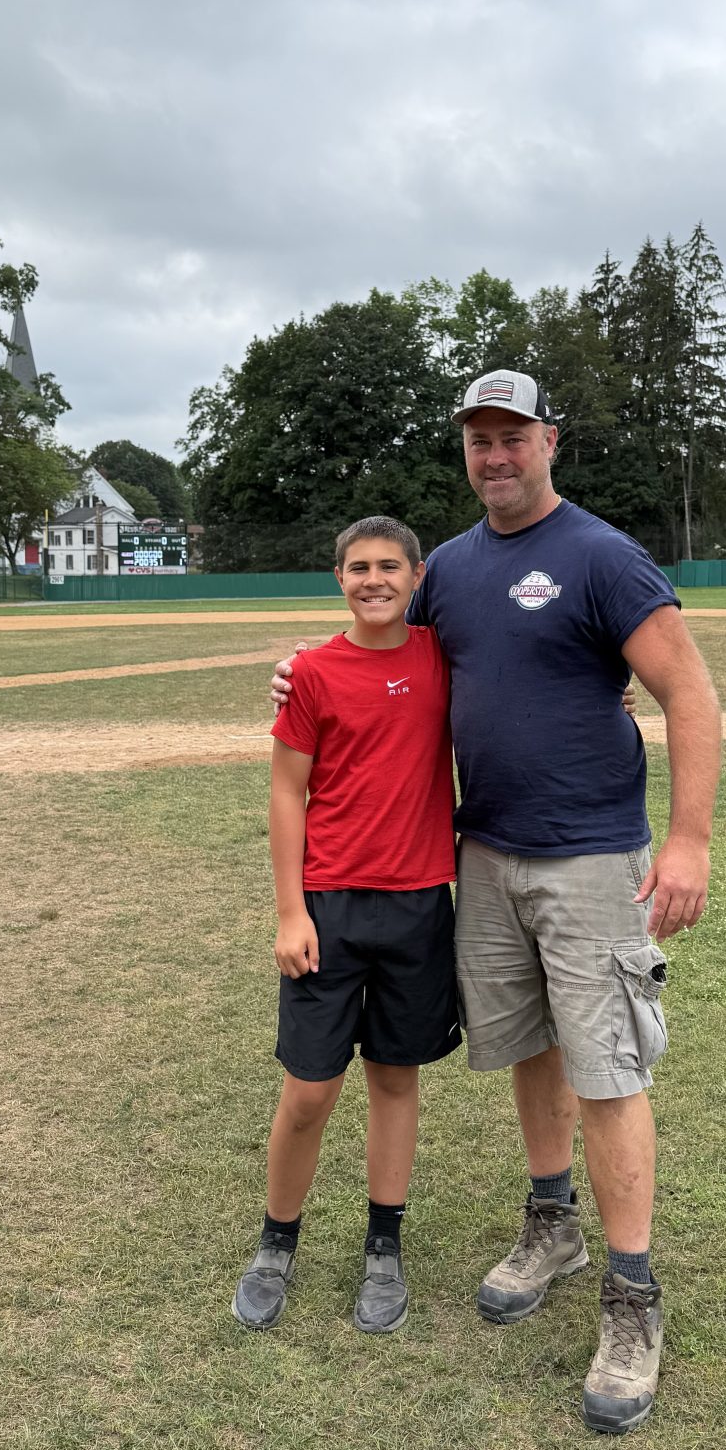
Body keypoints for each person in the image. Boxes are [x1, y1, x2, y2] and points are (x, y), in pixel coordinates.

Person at [273, 371, 722, 1433]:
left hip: (590, 859)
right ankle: (550, 1224)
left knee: (606, 1066)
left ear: (548, 442)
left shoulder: (603, 556)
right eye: (479, 439)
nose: (495, 455)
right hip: (484, 857)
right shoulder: (453, 570)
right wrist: (296, 671)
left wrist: (692, 841)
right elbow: (384, 646)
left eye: (512, 436)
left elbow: (689, 693)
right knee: (531, 1050)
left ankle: (631, 1297)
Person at [233, 516, 461, 1337]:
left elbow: (529, 680)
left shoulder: (442, 657)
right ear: (339, 578)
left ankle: (383, 1246)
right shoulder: (315, 674)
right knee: (308, 1092)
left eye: (390, 566)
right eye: (359, 567)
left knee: (396, 1080)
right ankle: (275, 1243)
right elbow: (286, 792)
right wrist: (290, 911)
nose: (375, 580)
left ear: (418, 575)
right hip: (328, 909)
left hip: (420, 906)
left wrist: (605, 689)